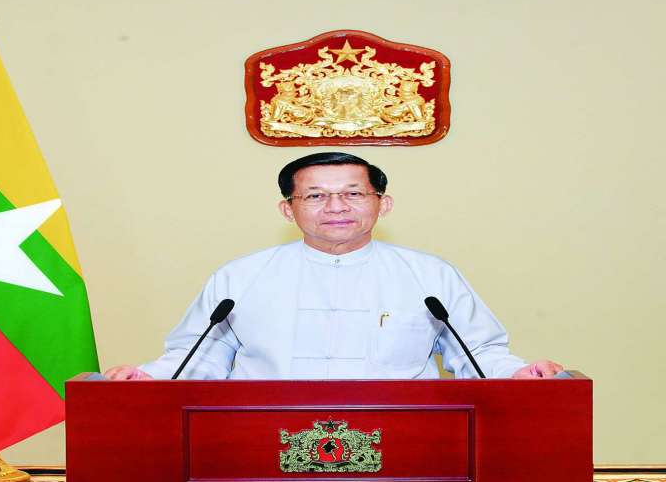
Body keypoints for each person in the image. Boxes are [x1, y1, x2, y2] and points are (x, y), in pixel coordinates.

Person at [104, 152, 562, 381]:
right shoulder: (239, 277)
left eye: (353, 193)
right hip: (263, 437)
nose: (336, 207)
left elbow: (476, 351)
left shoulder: (430, 276)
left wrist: (519, 374)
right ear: (288, 209)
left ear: (383, 204)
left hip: (404, 436)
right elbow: (199, 355)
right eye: (316, 196)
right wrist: (148, 378)